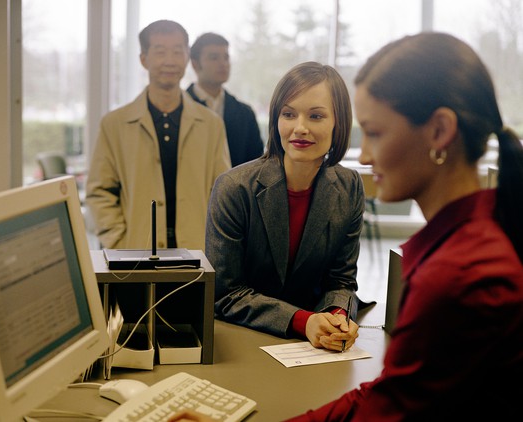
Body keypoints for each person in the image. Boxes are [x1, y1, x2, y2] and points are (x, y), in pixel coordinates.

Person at [168, 31, 523, 422]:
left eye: (374, 133)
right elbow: (391, 396)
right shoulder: (463, 249)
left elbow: (387, 408)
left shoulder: (462, 273)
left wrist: (334, 313)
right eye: (289, 114)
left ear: (439, 132)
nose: (366, 156)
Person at [206, 61, 365, 351]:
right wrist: (304, 321)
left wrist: (337, 318)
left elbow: (341, 281)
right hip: (240, 341)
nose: (300, 128)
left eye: (316, 116)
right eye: (288, 114)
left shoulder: (349, 186)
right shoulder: (234, 187)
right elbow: (225, 294)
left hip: (314, 349)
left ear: (338, 123)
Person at [86, 20, 231, 251]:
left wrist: (215, 243)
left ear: (186, 57)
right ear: (143, 59)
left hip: (197, 253)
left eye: (177, 51)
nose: (170, 61)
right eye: (160, 52)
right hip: (134, 254)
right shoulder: (115, 124)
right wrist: (118, 241)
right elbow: (99, 191)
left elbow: (224, 194)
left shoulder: (211, 124)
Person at [186, 32, 264, 167]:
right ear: (195, 64)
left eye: (226, 57)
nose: (223, 64)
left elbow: (256, 164)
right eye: (214, 57)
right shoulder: (179, 107)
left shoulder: (245, 113)